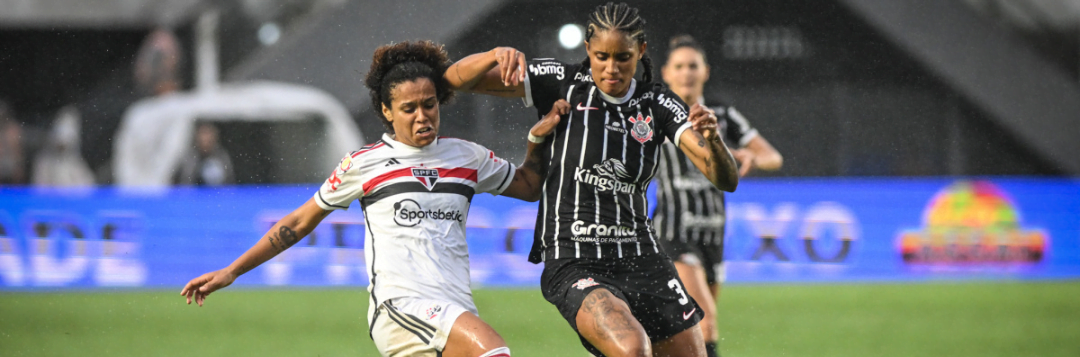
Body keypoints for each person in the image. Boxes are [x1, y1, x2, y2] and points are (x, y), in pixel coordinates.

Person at [181, 40, 561, 357]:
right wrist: (232, 271)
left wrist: (536, 141)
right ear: (386, 111)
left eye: (429, 104)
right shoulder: (364, 164)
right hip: (401, 309)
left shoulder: (467, 156)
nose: (422, 116)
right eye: (408, 108)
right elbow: (298, 223)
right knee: (493, 352)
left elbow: (529, 187)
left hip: (455, 306)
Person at [445, 3, 740, 356]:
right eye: (601, 56)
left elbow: (725, 178)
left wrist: (716, 140)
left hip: (642, 256)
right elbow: (453, 80)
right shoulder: (560, 82)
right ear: (587, 49)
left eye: (623, 57)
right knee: (632, 348)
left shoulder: (658, 102)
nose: (611, 68)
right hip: (575, 259)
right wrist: (493, 55)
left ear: (641, 51)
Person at [654, 34, 784, 357]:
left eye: (693, 66)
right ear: (666, 73)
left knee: (686, 331)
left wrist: (752, 157)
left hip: (712, 232)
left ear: (706, 72)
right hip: (672, 232)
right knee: (705, 323)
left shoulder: (722, 115)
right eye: (679, 66)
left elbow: (773, 156)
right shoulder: (654, 114)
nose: (687, 73)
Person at [31, 105, 95, 187]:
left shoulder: (76, 165)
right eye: (60, 145)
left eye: (65, 146)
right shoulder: (43, 164)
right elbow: (39, 190)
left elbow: (88, 189)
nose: (62, 148)